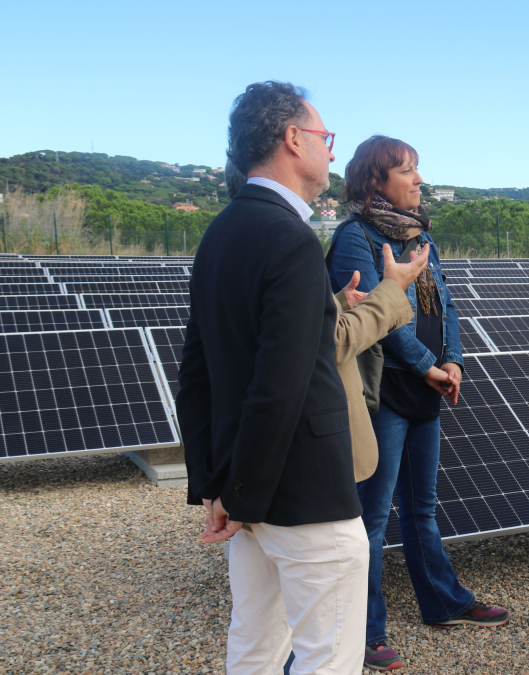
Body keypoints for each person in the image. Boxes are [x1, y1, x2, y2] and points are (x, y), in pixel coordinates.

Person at [179, 80, 369, 674]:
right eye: (324, 137)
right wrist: (238, 494)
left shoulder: (221, 231)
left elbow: (199, 373)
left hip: (248, 489)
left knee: (255, 646)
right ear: (293, 139)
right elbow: (281, 384)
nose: (332, 152)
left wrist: (218, 485)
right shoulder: (288, 237)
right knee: (327, 657)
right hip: (302, 495)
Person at [326, 135, 509, 672]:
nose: (418, 180)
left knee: (422, 510)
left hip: (426, 390)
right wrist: (428, 366)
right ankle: (363, 630)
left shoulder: (421, 234)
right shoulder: (354, 236)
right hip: (384, 395)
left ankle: (443, 603)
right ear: (375, 179)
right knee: (373, 517)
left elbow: (445, 303)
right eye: (407, 171)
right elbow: (379, 321)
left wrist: (452, 360)